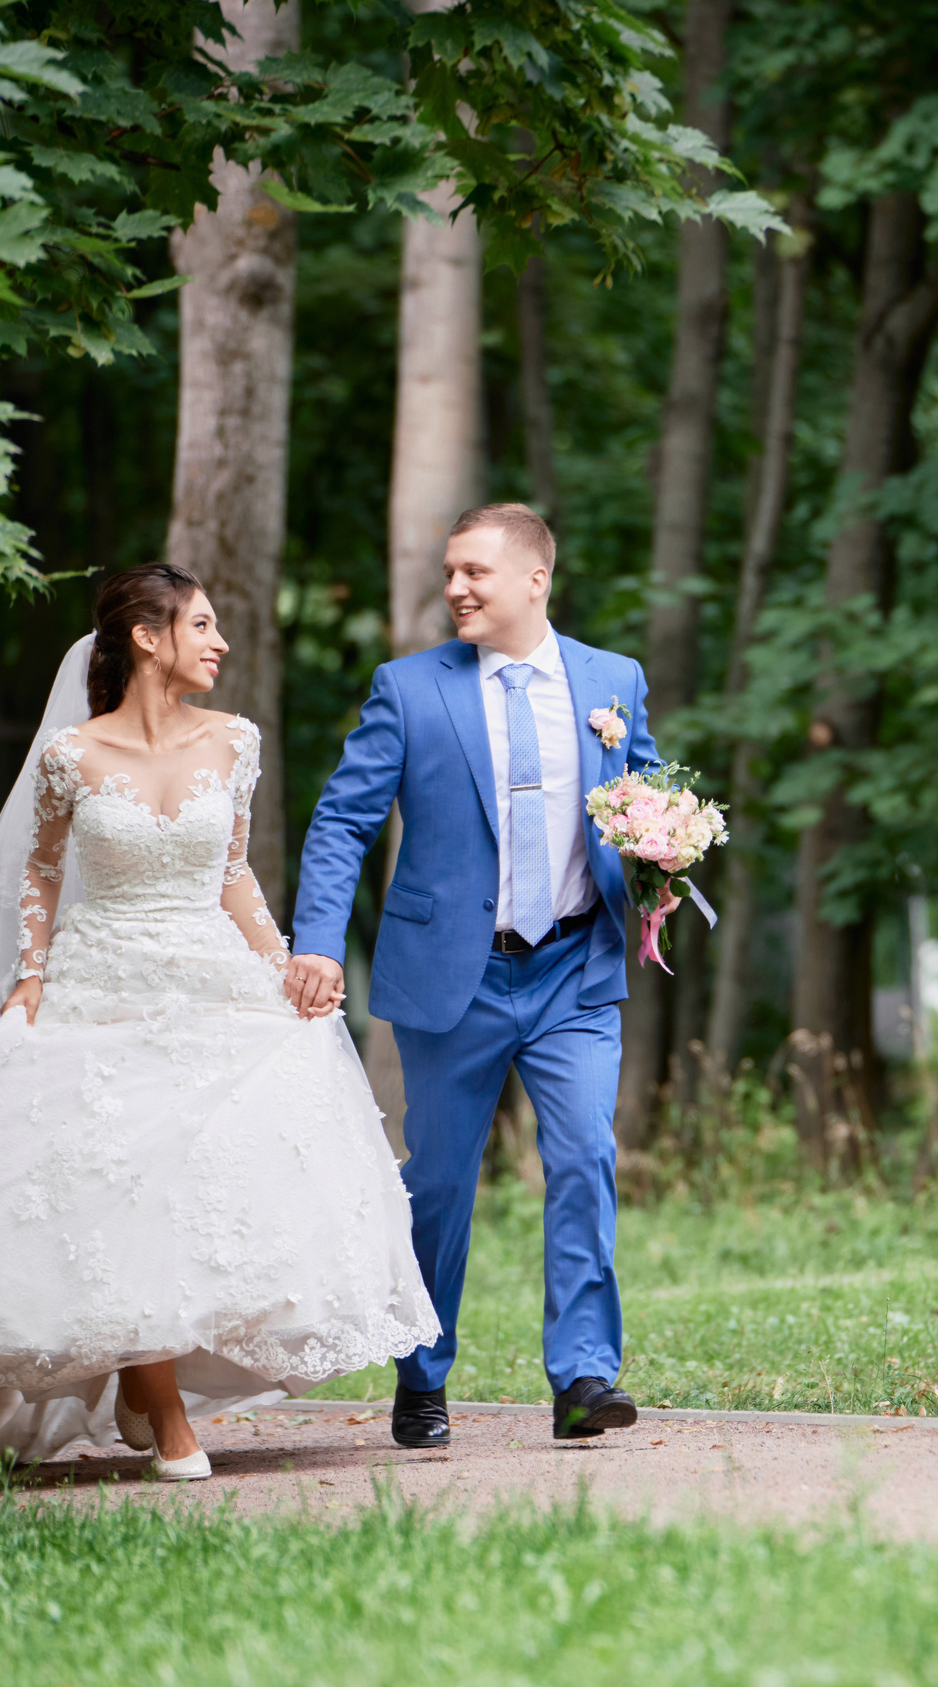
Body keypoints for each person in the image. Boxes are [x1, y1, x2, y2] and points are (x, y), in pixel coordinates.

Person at [0, 565, 437, 1489]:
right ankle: (162, 1406)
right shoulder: (71, 756)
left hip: (207, 973)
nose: (221, 643)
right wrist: (27, 979)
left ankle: (151, 1384)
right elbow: (42, 876)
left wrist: (282, 961)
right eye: (205, 625)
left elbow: (232, 875)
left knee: (204, 1176)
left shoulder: (235, 743)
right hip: (100, 984)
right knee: (119, 1181)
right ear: (148, 637)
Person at [287, 502, 655, 1449]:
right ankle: (422, 1371)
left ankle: (583, 1376)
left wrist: (664, 857)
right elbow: (341, 821)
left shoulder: (613, 682)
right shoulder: (410, 690)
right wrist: (319, 939)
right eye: (451, 572)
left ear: (535, 579)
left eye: (475, 573)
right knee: (442, 1182)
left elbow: (643, 799)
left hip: (576, 967)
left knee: (583, 1158)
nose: (455, 588)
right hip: (458, 976)